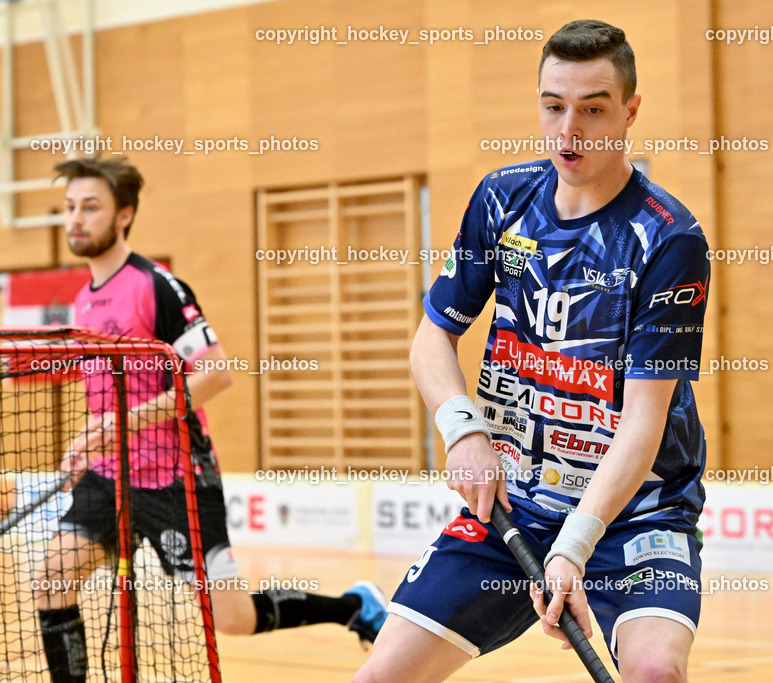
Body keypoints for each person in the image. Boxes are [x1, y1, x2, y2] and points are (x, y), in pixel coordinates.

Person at [355, 19, 709, 683]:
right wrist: (463, 432)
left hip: (634, 516)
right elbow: (433, 335)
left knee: (656, 671)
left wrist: (576, 545)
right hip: (511, 510)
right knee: (380, 677)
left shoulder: (668, 240)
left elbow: (644, 418)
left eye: (593, 109)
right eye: (553, 107)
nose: (568, 130)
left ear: (631, 111)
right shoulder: (502, 200)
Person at [34, 156, 387, 683]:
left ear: (124, 215)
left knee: (233, 618)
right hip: (110, 476)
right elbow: (109, 400)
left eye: (90, 207)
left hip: (176, 479)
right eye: (68, 208)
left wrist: (124, 425)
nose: (75, 220)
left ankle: (352, 606)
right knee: (52, 581)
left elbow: (216, 373)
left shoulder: (156, 286)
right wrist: (90, 441)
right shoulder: (83, 301)